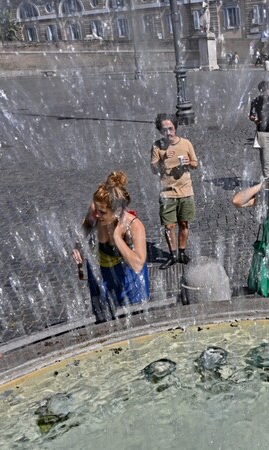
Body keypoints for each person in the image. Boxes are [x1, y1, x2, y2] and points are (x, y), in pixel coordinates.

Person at [72, 171, 149, 322]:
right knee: (104, 318)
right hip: (102, 271)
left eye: (102, 212)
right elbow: (87, 224)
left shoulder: (134, 226)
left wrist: (117, 238)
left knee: (136, 319)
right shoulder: (95, 210)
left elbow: (138, 264)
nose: (97, 215)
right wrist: (77, 246)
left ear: (116, 212)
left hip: (128, 275)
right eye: (96, 210)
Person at [150, 113, 199, 269]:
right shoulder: (157, 146)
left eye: (171, 128)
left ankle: (182, 253)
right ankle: (173, 255)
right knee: (169, 226)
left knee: (184, 224)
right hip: (167, 192)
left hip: (185, 190)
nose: (168, 132)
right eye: (165, 129)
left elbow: (195, 163)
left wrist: (188, 163)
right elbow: (153, 169)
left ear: (175, 128)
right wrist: (163, 158)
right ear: (160, 130)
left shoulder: (185, 143)